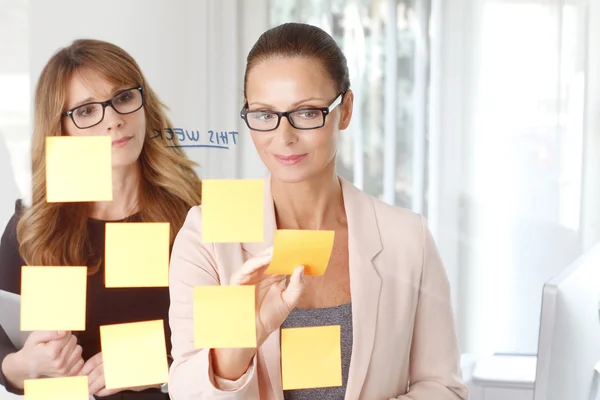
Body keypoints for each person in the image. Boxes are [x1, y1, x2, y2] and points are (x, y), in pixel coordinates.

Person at [167, 22, 468, 400]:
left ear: (345, 111)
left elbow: (443, 387)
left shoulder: (407, 239)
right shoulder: (207, 234)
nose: (284, 136)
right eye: (263, 114)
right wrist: (243, 336)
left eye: (307, 112)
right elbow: (186, 393)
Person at [0, 39, 202, 399]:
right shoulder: (31, 227)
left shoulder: (194, 215)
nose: (113, 121)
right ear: (59, 128)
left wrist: (160, 363)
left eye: (123, 97)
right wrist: (19, 368)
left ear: (145, 105)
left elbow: (236, 343)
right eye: (86, 110)